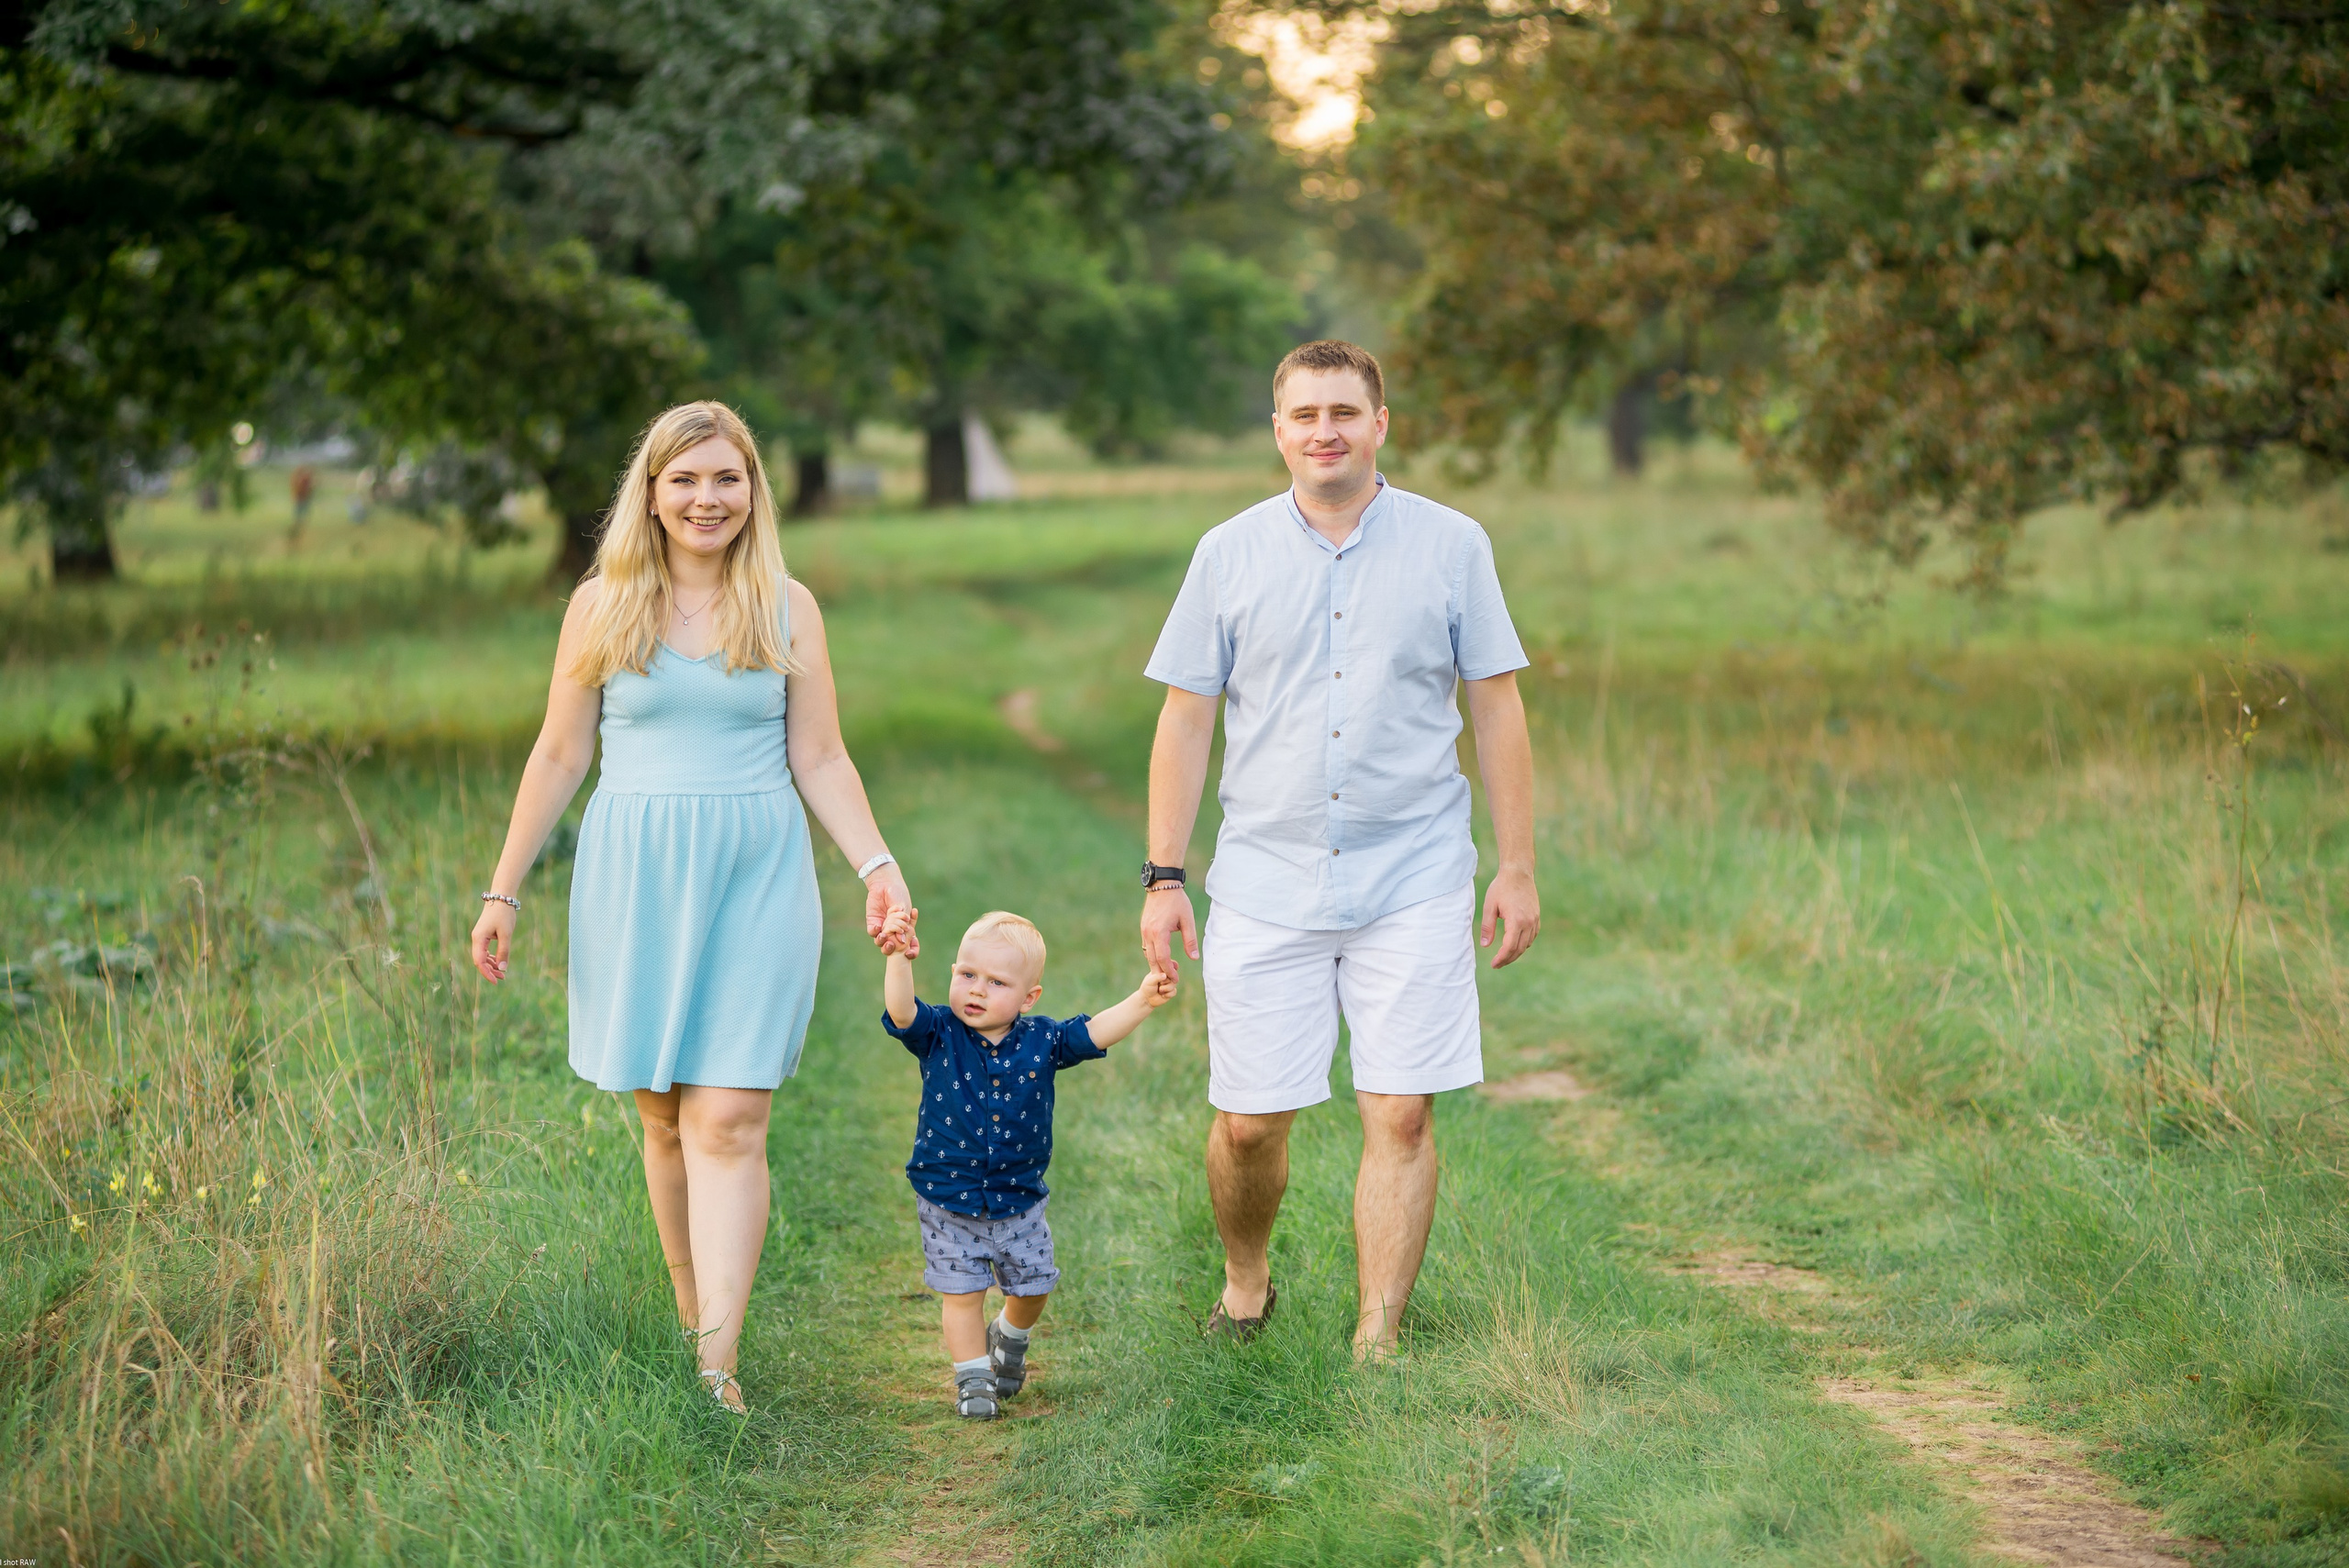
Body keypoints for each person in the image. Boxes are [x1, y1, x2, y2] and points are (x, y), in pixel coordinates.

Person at [469, 401, 915, 1413]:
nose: (707, 498)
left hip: (756, 871)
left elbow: (820, 753)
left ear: (753, 488)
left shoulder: (787, 605)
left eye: (727, 478)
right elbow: (560, 753)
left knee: (728, 1117)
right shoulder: (600, 605)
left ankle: (718, 1363)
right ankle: (689, 1326)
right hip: (634, 876)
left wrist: (876, 864)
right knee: (664, 1117)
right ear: (653, 492)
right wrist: (503, 887)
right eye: (686, 479)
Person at [1138, 339, 1541, 1361]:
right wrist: (1164, 874)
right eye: (1305, 413)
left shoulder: (1452, 546)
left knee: (1399, 1112)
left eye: (1344, 412)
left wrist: (1517, 863)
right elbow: (1187, 719)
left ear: (1381, 422)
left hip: (1414, 868)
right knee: (1247, 1126)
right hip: (1267, 878)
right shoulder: (1225, 553)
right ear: (1277, 431)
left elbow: (1494, 707)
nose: (1325, 430)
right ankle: (1245, 1280)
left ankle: (1378, 1338)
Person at [879, 907, 1174, 1418]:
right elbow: (902, 1012)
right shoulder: (939, 1033)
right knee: (963, 1291)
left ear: (1028, 997)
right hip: (949, 1197)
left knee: (1034, 1284)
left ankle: (1010, 1338)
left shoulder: (1042, 1040)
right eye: (967, 975)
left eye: (996, 982)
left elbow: (1097, 1031)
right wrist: (899, 959)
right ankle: (973, 1378)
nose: (976, 990)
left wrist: (1144, 999)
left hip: (1019, 1198)